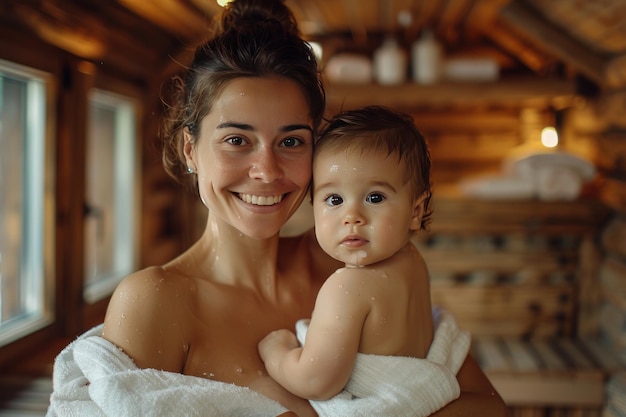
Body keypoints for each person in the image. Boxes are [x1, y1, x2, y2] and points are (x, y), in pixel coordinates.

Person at [48, 1, 506, 416]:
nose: (266, 171)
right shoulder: (158, 299)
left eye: (290, 141)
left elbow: (486, 406)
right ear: (190, 149)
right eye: (236, 140)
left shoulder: (352, 263)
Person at [257, 106, 455, 415]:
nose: (352, 217)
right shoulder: (414, 262)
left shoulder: (347, 286)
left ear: (415, 211)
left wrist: (277, 354)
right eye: (334, 200)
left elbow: (316, 380)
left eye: (374, 197)